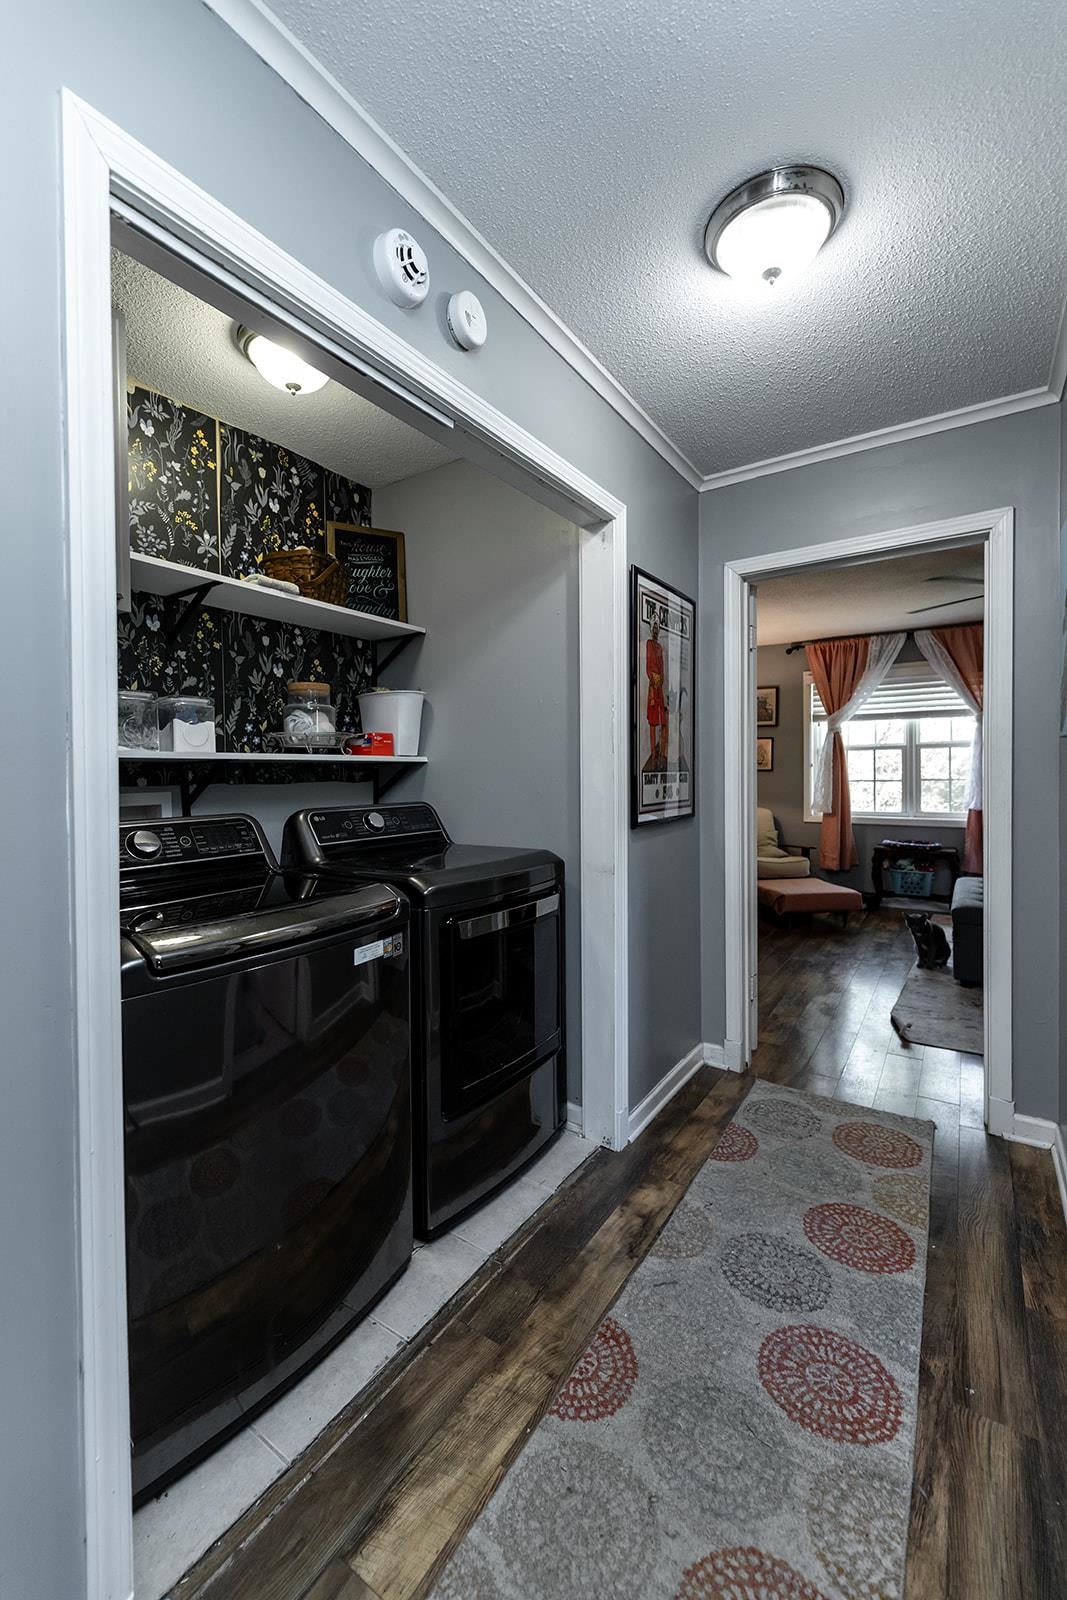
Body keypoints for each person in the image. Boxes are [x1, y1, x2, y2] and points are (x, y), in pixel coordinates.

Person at [645, 614, 668, 771]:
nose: (655, 630)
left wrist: (661, 680)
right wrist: (655, 680)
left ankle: (661, 754)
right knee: (653, 723)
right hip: (653, 688)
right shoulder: (648, 644)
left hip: (659, 688)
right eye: (653, 627)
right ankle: (653, 754)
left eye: (657, 628)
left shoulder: (660, 647)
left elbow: (662, 666)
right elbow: (649, 665)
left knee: (663, 722)